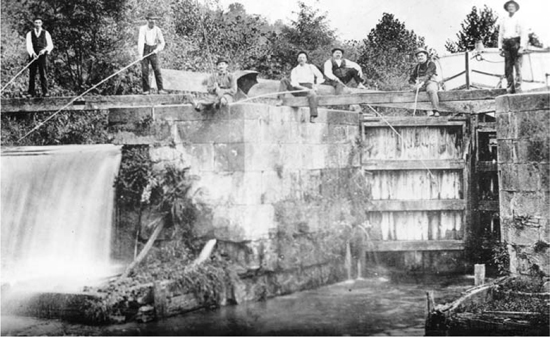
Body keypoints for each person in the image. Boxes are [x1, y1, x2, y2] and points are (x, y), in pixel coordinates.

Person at [277, 51, 325, 123]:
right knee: (284, 80)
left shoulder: (311, 67)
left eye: (303, 57)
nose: (301, 59)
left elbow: (320, 76)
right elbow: (294, 83)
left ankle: (313, 116)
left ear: (306, 59)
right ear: (297, 59)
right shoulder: (295, 70)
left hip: (308, 88)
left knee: (313, 94)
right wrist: (303, 88)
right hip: (297, 89)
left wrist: (316, 86)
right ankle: (280, 99)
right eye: (300, 57)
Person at [498, 0, 527, 93]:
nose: (511, 8)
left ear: (515, 8)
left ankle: (518, 88)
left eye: (512, 6)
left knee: (518, 66)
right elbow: (500, 34)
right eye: (509, 6)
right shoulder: (503, 19)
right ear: (506, 8)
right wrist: (500, 47)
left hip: (516, 43)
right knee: (508, 67)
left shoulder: (519, 19)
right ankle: (510, 87)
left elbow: (524, 33)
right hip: (506, 44)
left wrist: (522, 47)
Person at [138, 12, 166, 94]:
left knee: (157, 70)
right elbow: (140, 41)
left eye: (154, 20)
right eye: (151, 20)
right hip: (145, 49)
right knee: (144, 71)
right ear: (147, 20)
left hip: (154, 50)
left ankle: (160, 89)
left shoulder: (158, 30)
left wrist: (157, 50)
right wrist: (140, 54)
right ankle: (146, 90)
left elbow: (162, 43)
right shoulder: (143, 29)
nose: (152, 21)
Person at [25, 17, 54, 98]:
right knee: (32, 74)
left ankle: (45, 92)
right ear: (34, 23)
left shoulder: (46, 33)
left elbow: (50, 45)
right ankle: (31, 92)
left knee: (43, 73)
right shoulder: (29, 33)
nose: (37, 24)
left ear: (41, 24)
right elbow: (28, 45)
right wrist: (32, 53)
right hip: (33, 56)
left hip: (42, 56)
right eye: (36, 22)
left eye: (39, 23)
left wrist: (44, 50)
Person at [409, 48, 440, 117]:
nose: (420, 57)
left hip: (430, 82)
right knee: (414, 91)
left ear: (426, 56)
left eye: (421, 55)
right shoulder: (417, 67)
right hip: (421, 84)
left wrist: (421, 82)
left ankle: (436, 110)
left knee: (431, 90)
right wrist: (414, 84)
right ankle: (425, 111)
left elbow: (428, 74)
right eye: (418, 56)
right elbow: (412, 77)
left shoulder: (431, 64)